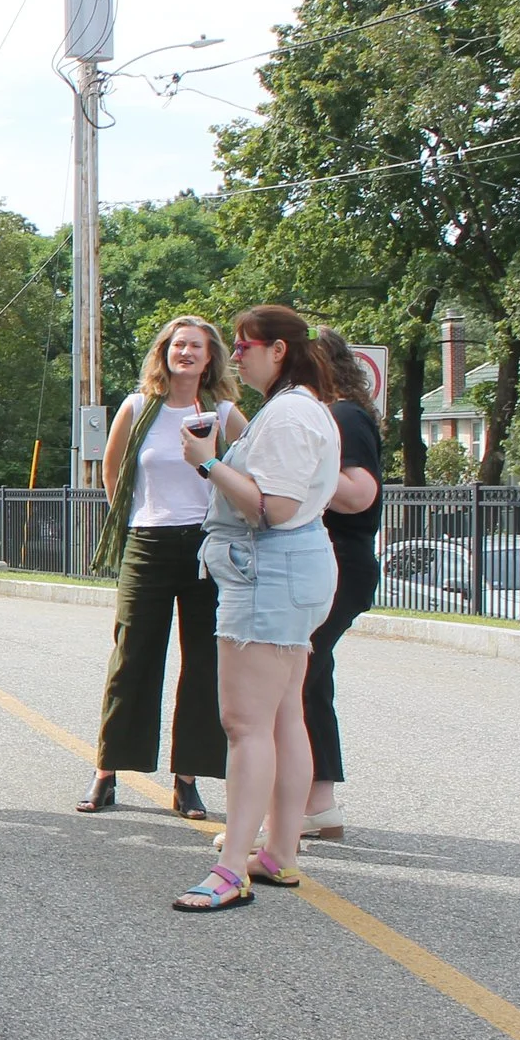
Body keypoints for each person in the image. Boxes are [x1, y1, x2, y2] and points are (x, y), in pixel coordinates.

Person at [173, 307, 342, 913]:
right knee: (282, 718)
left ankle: (229, 869)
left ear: (278, 350)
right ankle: (278, 855)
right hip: (286, 570)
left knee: (245, 726)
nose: (235, 355)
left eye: (245, 346)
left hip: (269, 571)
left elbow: (270, 507)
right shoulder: (298, 408)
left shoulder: (290, 413)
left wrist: (208, 462)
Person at [77, 317, 248, 818]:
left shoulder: (223, 412)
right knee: (132, 655)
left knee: (203, 664)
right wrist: (134, 520)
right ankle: (106, 771)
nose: (187, 353)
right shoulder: (137, 407)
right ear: (165, 353)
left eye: (196, 346)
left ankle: (188, 778)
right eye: (178, 345)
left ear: (210, 357)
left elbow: (251, 465)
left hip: (205, 547)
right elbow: (112, 471)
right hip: (147, 541)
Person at [299, 329, 385, 842]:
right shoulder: (331, 415)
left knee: (300, 674)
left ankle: (312, 802)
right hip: (330, 564)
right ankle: (318, 803)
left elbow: (358, 494)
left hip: (339, 563)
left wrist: (297, 472)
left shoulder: (343, 416)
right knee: (309, 674)